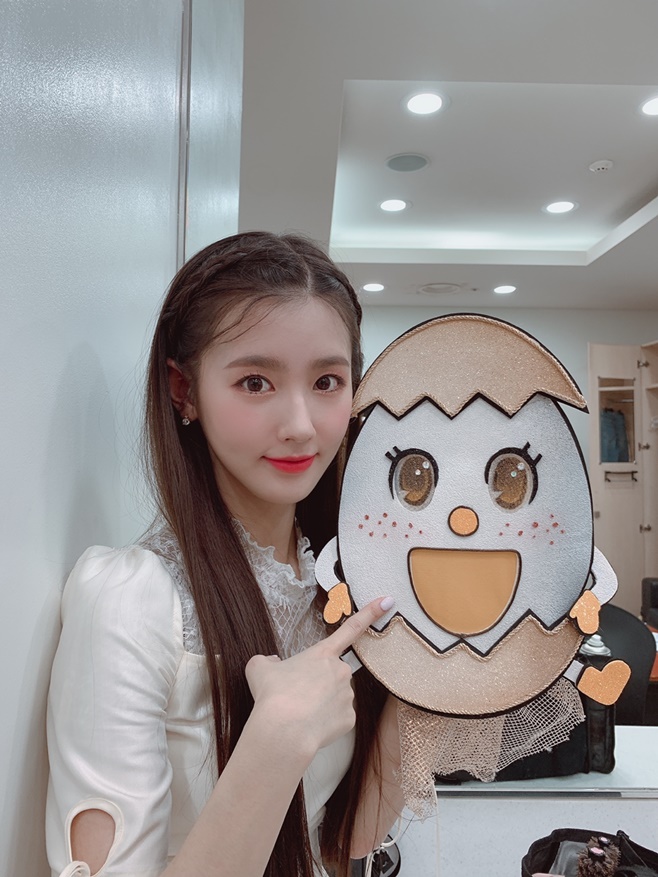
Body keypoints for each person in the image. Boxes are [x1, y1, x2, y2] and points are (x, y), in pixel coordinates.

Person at [46, 232, 404, 877]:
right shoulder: (130, 600)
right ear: (183, 390)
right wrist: (275, 743)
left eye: (327, 381)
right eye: (255, 382)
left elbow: (345, 843)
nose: (301, 424)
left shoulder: (339, 584)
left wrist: (428, 678)